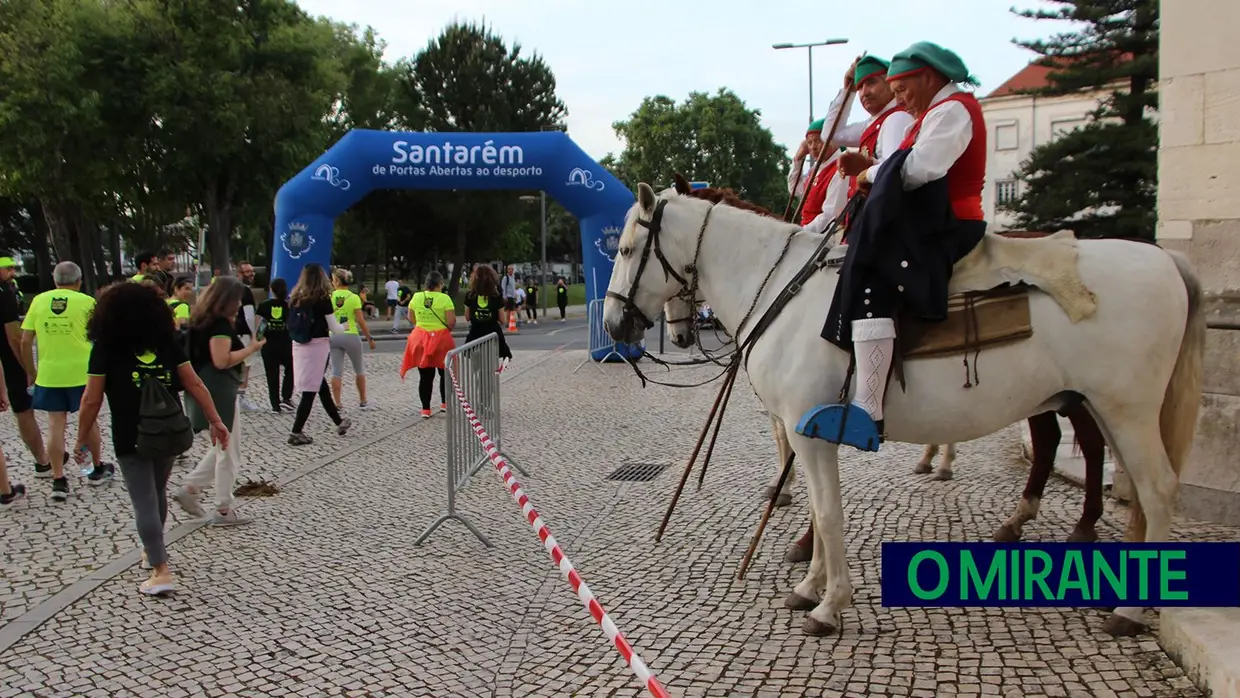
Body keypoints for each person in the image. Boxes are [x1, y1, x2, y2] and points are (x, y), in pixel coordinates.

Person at [804, 41, 989, 452]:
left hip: (950, 224)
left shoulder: (952, 109)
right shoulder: (932, 113)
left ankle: (869, 410)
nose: (900, 98)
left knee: (873, 278)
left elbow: (923, 168)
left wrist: (867, 171)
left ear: (927, 76)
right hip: (933, 221)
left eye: (901, 88)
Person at [76, 281, 229, 594]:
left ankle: (161, 570)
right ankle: (152, 551)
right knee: (156, 492)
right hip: (167, 430)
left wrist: (81, 439)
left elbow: (91, 400)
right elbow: (195, 384)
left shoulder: (105, 348)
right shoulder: (167, 341)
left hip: (130, 434)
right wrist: (216, 420)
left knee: (144, 500)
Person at [175, 276, 264, 526]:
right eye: (236, 299)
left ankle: (191, 488)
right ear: (226, 300)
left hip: (201, 386)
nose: (239, 304)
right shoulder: (220, 326)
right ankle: (223, 508)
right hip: (218, 390)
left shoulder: (199, 320)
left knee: (221, 447)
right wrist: (251, 348)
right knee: (228, 450)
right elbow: (222, 360)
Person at [20, 261, 112, 500]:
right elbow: (102, 336)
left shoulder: (39, 301)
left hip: (50, 373)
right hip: (83, 372)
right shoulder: (87, 302)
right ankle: (96, 468)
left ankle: (59, 479)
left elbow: (25, 339)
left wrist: (32, 370)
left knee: (54, 425)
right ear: (79, 281)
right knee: (89, 421)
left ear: (55, 280)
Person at [812, 54, 915, 242]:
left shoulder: (896, 119)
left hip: (883, 227)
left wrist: (865, 167)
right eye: (860, 87)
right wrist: (847, 91)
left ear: (890, 84)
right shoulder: (872, 124)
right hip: (867, 219)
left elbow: (893, 174)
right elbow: (830, 135)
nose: (864, 93)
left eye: (871, 83)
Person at [287, 263, 352, 446]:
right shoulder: (322, 299)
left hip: (299, 345)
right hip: (317, 346)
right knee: (310, 390)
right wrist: (345, 326)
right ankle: (296, 431)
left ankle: (339, 421)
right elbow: (335, 328)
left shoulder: (295, 298)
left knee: (318, 384)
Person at [0, 254, 51, 481]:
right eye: (8, 269)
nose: (13, 273)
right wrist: (28, 368)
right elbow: (13, 336)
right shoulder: (5, 293)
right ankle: (42, 460)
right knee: (23, 408)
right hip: (8, 359)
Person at [399, 271, 456, 419]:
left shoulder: (417, 297)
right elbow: (451, 322)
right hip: (441, 338)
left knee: (425, 375)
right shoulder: (445, 298)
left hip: (420, 338)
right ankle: (445, 403)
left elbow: (411, 318)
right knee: (445, 373)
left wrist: (423, 325)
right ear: (440, 284)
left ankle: (426, 409)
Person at [329, 269, 376, 410]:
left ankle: (337, 402)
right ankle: (363, 401)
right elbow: (360, 321)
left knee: (336, 371)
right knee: (359, 368)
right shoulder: (354, 297)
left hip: (334, 335)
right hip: (351, 334)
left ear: (337, 281)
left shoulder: (329, 297)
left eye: (333, 279)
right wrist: (369, 338)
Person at [788, 118, 844, 234]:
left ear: (832, 141)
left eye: (818, 141)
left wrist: (802, 233)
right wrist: (797, 160)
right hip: (810, 235)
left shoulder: (840, 168)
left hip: (824, 238)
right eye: (809, 143)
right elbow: (795, 190)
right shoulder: (816, 169)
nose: (813, 147)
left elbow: (830, 215)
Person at [256, 277, 295, 412]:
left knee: (272, 375)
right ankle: (286, 398)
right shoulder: (289, 305)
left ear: (272, 290)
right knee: (290, 371)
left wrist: (258, 339)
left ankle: (275, 404)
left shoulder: (264, 305)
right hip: (286, 343)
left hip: (269, 344)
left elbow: (259, 326)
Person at [463, 265, 512, 362]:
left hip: (475, 333)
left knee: (473, 362)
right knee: (493, 363)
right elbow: (502, 320)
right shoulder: (496, 296)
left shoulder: (469, 295)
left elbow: (467, 317)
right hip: (492, 334)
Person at [233, 261, 262, 413]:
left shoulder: (232, 289)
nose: (252, 274)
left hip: (234, 332)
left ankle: (236, 398)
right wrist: (254, 334)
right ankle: (241, 399)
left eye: (252, 271)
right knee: (246, 366)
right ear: (239, 274)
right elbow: (250, 316)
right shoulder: (246, 292)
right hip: (244, 333)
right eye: (248, 272)